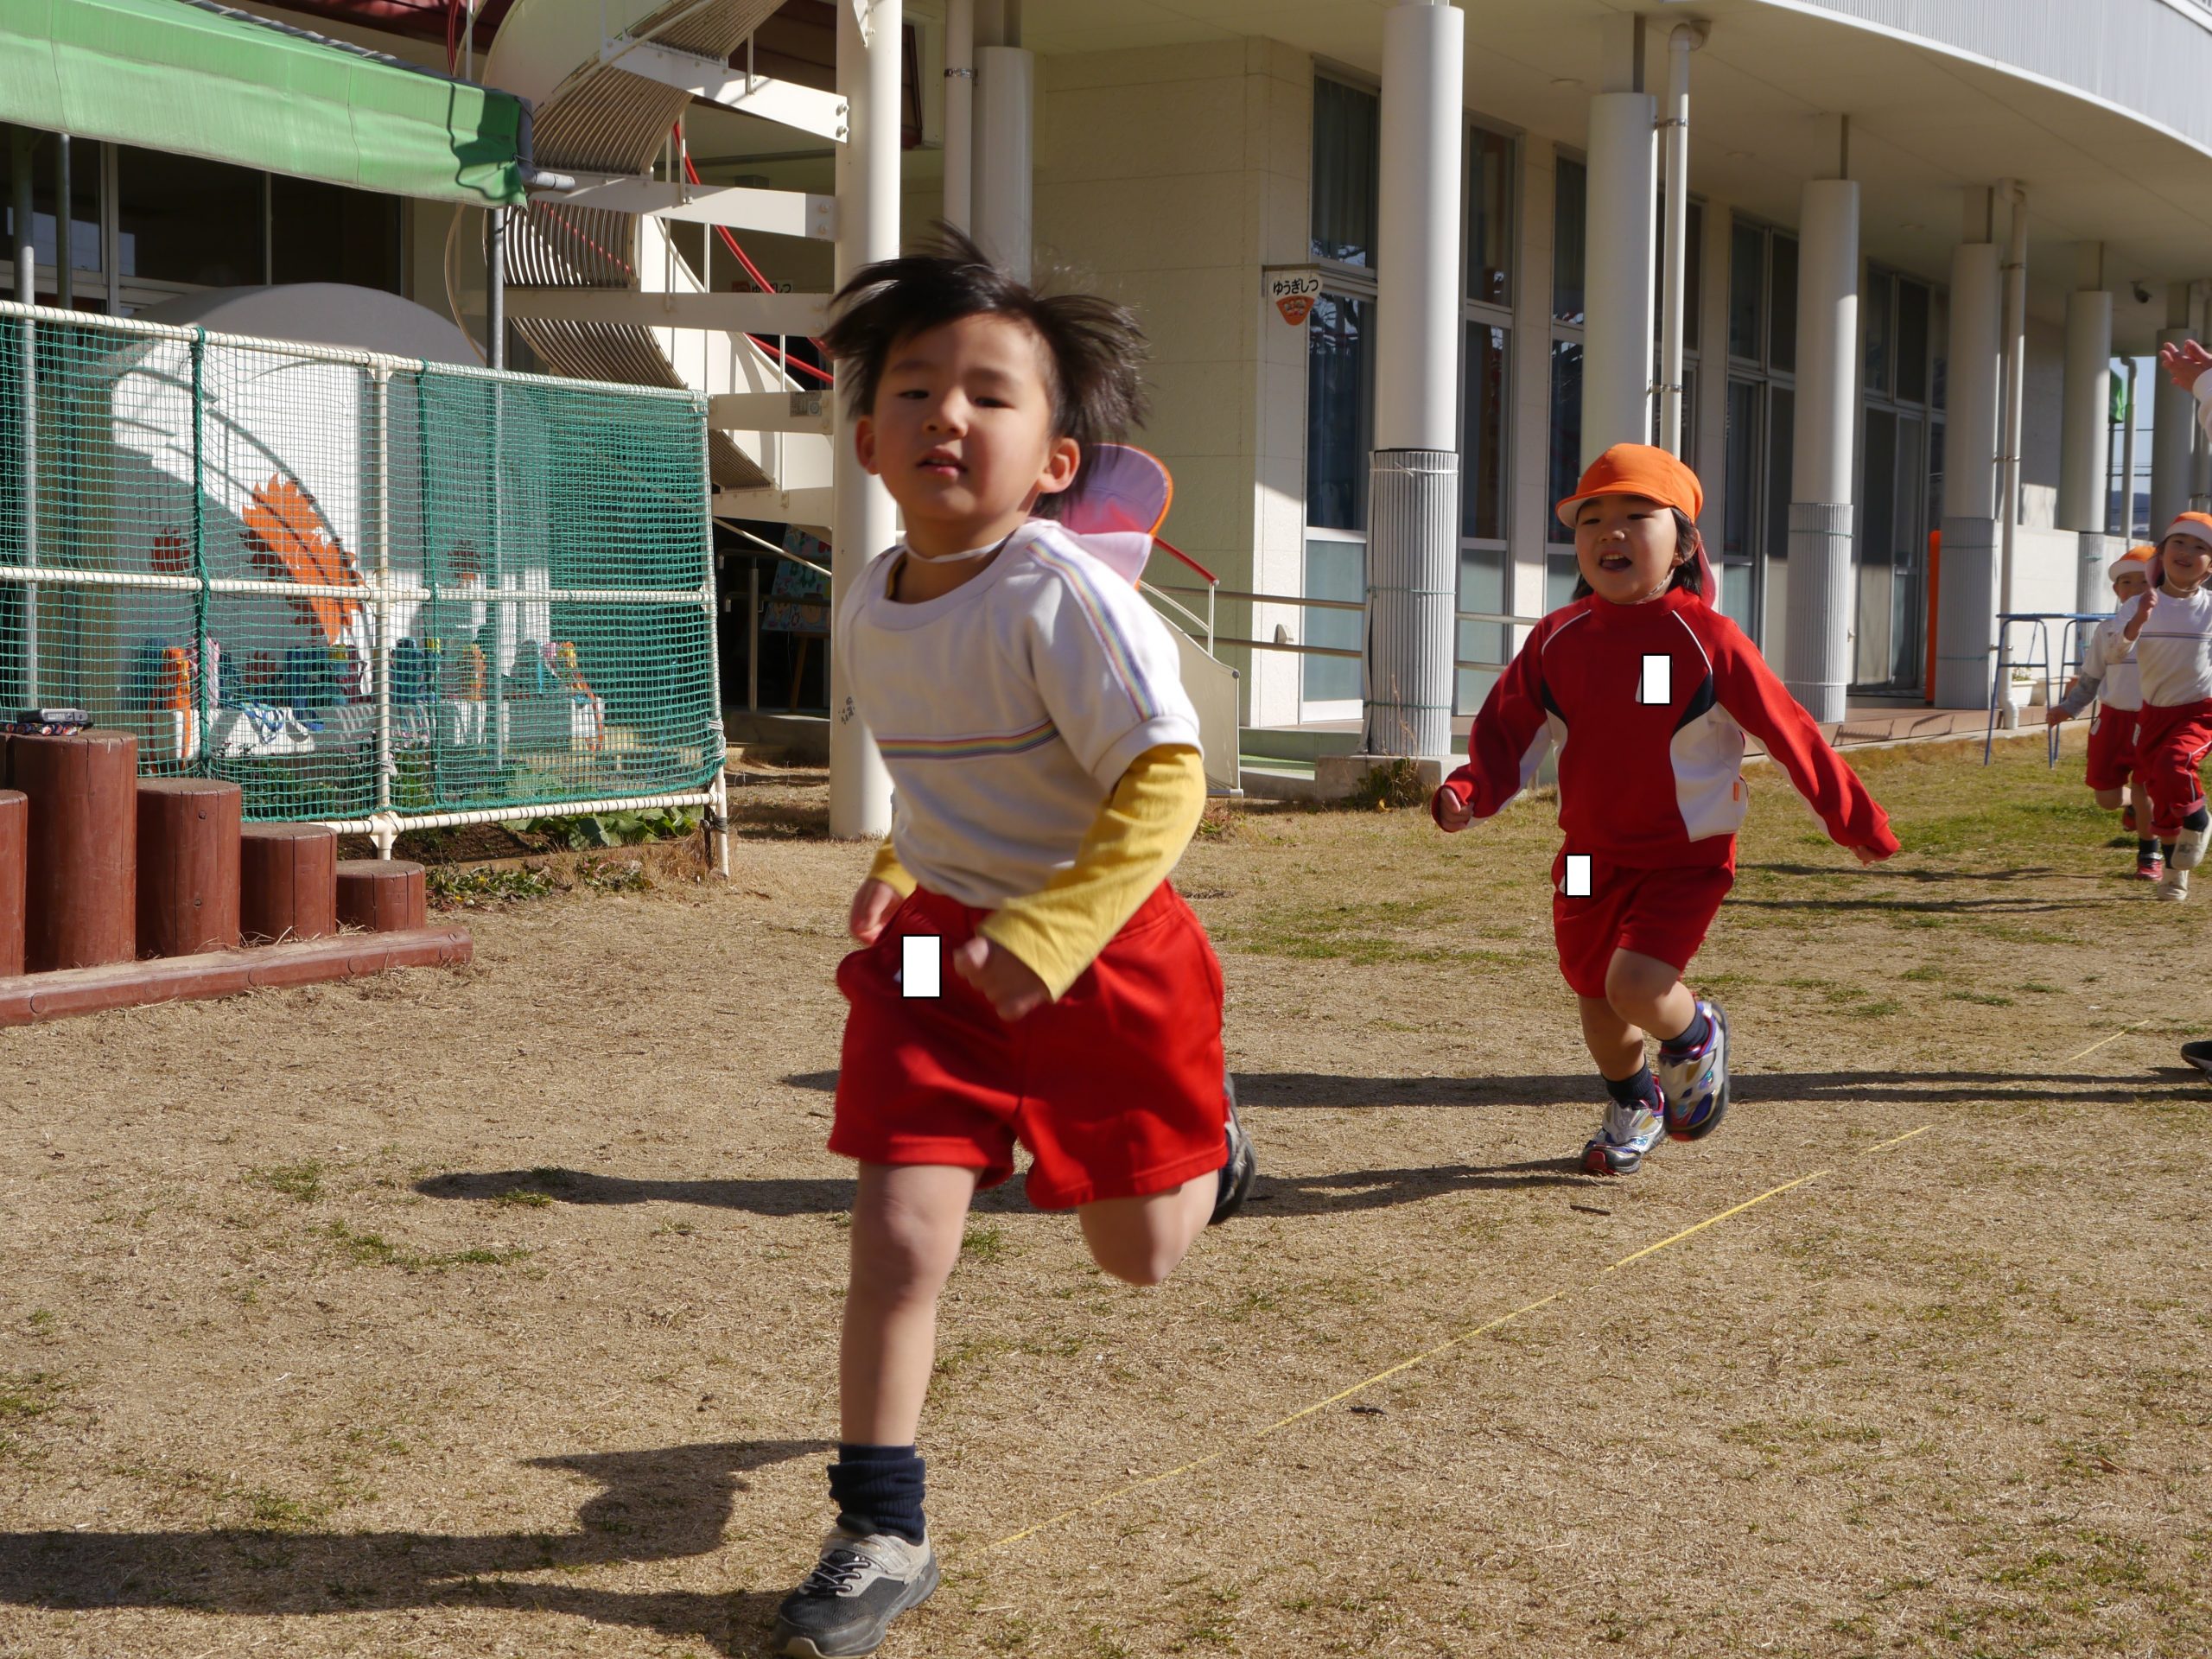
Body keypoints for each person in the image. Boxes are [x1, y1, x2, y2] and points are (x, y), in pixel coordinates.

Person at [770, 231, 1255, 1659]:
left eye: (991, 393)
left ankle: (1208, 1151)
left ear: (1055, 460)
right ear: (868, 438)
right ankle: (880, 1527)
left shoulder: (1067, 596)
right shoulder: (869, 602)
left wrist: (1047, 930)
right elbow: (950, 776)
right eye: (916, 390)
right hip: (940, 959)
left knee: (1138, 1259)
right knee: (899, 1233)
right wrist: (896, 862)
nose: (948, 416)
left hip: (1103, 954)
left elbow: (1166, 782)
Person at [1431, 444, 1899, 1178]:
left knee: (1635, 986)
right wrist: (1467, 792)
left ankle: (1697, 1034)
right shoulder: (1557, 637)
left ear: (1682, 543)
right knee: (1594, 994)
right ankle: (1634, 1101)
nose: (1609, 533)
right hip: (1585, 858)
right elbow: (1505, 731)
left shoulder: (1705, 639)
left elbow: (1790, 732)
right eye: (1592, 519)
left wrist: (1855, 821)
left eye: (1634, 516)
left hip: (1684, 860)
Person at [2047, 544, 2159, 880]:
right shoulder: (2106, 630)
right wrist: (2069, 707)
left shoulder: (2167, 628)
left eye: (2144, 582)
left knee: (2145, 788)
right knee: (2106, 798)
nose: (2135, 590)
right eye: (2127, 582)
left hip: (2152, 720)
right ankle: (2131, 808)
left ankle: (2149, 855)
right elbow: (2092, 676)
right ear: (2116, 590)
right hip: (2112, 720)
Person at [2120, 512, 2212, 901]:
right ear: (2161, 553)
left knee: (2176, 762)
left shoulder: (2209, 607)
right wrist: (2137, 620)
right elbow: (2115, 648)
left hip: (2199, 708)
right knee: (2159, 790)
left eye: (2201, 547)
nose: (2187, 552)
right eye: (2179, 543)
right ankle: (2175, 873)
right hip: (2152, 711)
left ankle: (2200, 819)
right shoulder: (2142, 603)